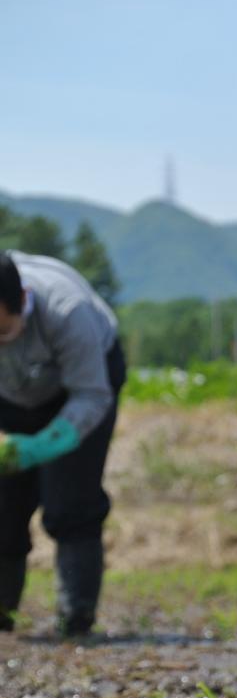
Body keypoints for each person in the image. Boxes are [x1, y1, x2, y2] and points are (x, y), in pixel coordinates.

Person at [0, 250, 125, 636]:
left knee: (69, 501)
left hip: (81, 389)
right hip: (11, 394)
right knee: (3, 503)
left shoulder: (68, 310)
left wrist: (40, 447)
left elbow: (92, 395)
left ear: (21, 300)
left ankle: (76, 616)